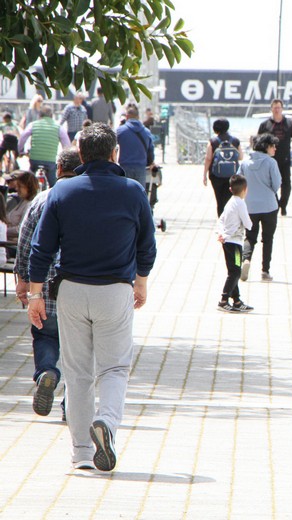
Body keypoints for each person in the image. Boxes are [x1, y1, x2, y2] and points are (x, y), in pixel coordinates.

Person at [27, 122, 157, 472]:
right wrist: (141, 282)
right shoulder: (133, 191)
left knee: (78, 372)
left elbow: (41, 249)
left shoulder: (62, 191)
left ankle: (82, 451)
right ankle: (107, 423)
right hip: (115, 290)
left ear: (80, 153)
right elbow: (147, 245)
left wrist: (36, 294)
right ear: (115, 153)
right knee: (114, 368)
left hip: (70, 291)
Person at [14, 148, 82, 421]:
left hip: (43, 287)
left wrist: (23, 281)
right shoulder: (84, 199)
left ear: (58, 167)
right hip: (77, 286)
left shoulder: (42, 199)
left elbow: (25, 242)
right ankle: (72, 406)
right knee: (79, 352)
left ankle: (47, 373)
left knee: (44, 335)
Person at [239, 133, 281, 283]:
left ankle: (246, 260)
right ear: (266, 147)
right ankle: (265, 270)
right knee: (268, 238)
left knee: (250, 236)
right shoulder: (271, 163)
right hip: (269, 205)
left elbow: (238, 181)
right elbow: (276, 184)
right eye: (273, 146)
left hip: (250, 206)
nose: (275, 149)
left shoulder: (244, 163)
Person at [256, 99, 292, 216]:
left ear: (282, 109)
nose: (277, 110)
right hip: (269, 159)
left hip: (285, 159)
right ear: (271, 109)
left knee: (286, 183)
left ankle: (283, 205)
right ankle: (276, 204)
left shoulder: (290, 124)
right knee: (270, 183)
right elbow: (258, 141)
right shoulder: (265, 125)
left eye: (279, 108)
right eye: (275, 108)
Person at [216, 174, 254, 312]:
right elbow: (247, 222)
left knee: (233, 270)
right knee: (235, 271)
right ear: (244, 189)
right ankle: (224, 300)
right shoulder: (240, 203)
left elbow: (221, 219)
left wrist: (220, 232)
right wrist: (250, 225)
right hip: (235, 243)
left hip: (227, 241)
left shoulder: (230, 202)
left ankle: (236, 300)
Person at [17, 105, 71, 188]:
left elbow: (22, 138)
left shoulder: (33, 125)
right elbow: (67, 145)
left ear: (39, 115)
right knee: (53, 185)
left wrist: (20, 151)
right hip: (50, 161)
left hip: (34, 159)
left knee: (29, 181)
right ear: (51, 116)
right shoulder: (58, 127)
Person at [203, 118, 243, 217]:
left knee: (219, 200)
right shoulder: (235, 141)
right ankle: (230, 220)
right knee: (230, 199)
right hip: (232, 175)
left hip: (216, 175)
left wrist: (204, 174)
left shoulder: (213, 141)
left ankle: (221, 222)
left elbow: (208, 158)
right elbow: (241, 157)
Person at [116, 104, 155, 187]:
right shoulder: (147, 132)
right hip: (141, 167)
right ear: (138, 117)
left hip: (125, 167)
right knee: (139, 193)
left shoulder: (120, 131)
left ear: (127, 116)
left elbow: (112, 147)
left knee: (125, 194)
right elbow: (150, 150)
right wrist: (151, 162)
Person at [5, 170, 39, 242]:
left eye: (20, 187)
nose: (17, 189)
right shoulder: (22, 201)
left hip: (12, 244)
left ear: (28, 187)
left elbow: (20, 228)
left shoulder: (30, 205)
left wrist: (3, 230)